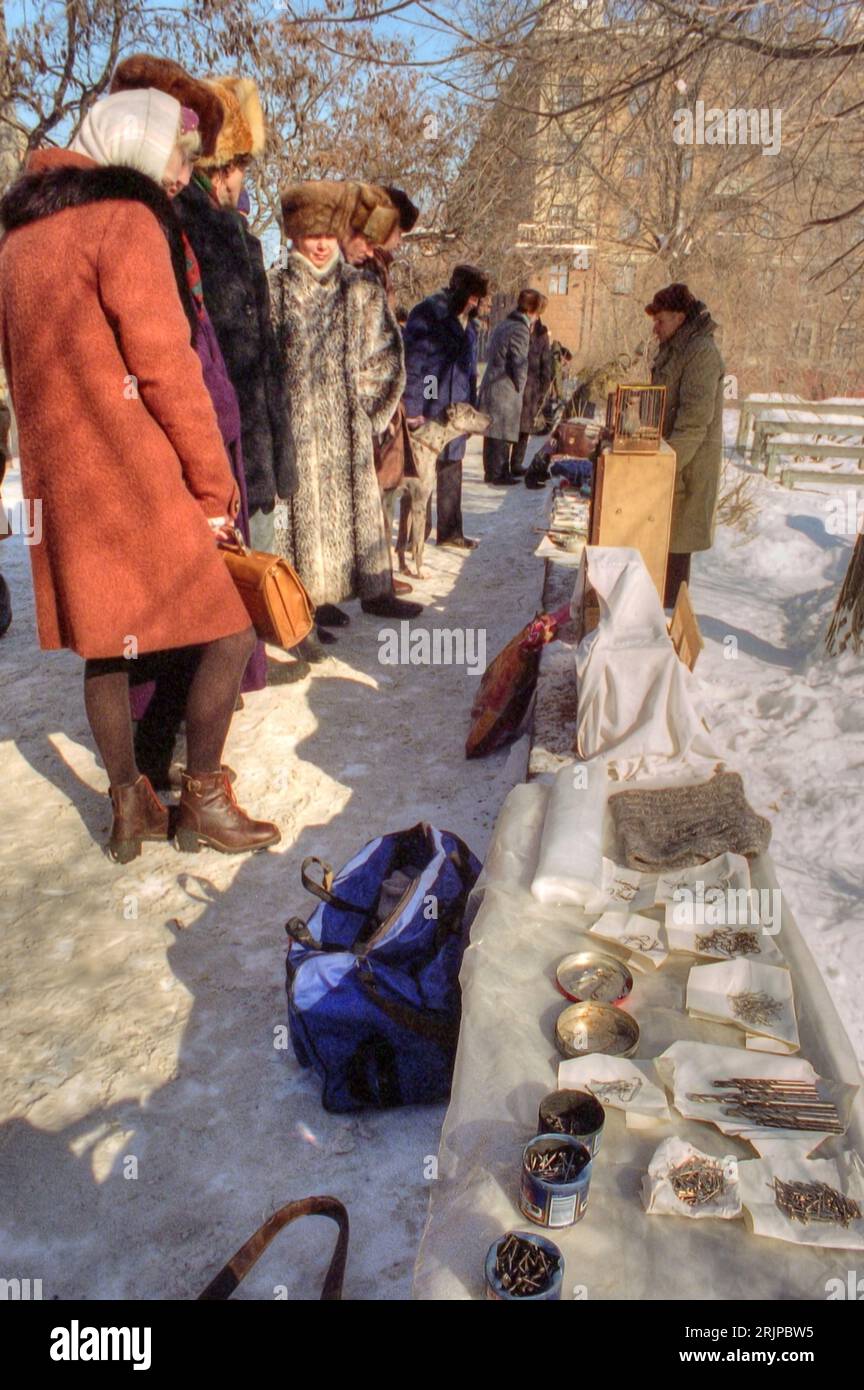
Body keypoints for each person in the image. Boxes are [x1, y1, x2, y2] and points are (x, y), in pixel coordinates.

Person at [0, 89, 279, 859]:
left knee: (108, 648)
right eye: (177, 156)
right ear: (133, 147)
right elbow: (167, 369)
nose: (182, 174)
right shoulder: (122, 222)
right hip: (138, 475)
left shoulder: (20, 236)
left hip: (67, 487)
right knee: (230, 625)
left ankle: (130, 808)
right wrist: (211, 481)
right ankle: (203, 800)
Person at [109, 56, 269, 787]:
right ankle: (172, 764)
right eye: (191, 153)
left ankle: (170, 759)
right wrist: (206, 467)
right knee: (182, 614)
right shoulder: (145, 224)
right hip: (168, 442)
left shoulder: (172, 221)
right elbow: (165, 358)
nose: (199, 170)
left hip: (202, 426)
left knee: (189, 612)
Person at [269, 181, 406, 640]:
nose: (322, 244)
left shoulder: (360, 291)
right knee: (300, 525)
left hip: (346, 438)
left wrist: (363, 411)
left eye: (329, 233)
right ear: (293, 237)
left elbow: (385, 358)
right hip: (298, 438)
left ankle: (366, 589)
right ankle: (307, 606)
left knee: (357, 514)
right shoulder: (275, 291)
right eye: (311, 235)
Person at [171, 74, 295, 553]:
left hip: (250, 456)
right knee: (237, 597)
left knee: (257, 585)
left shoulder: (238, 238)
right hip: (220, 461)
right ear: (223, 164)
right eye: (243, 165)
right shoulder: (183, 228)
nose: (245, 179)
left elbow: (265, 356)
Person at [340, 181, 422, 617]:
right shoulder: (356, 266)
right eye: (399, 232)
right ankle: (359, 589)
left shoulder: (377, 266)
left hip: (379, 400)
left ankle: (374, 583)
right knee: (358, 495)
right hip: (360, 401)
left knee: (375, 491)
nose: (399, 241)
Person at [646, 282, 725, 608]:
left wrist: (663, 468)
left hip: (685, 474)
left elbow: (694, 421)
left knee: (674, 558)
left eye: (661, 320)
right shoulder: (676, 348)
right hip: (670, 469)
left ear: (679, 318)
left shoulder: (701, 353)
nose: (655, 328)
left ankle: (666, 636)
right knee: (658, 552)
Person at [402, 263, 489, 549]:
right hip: (432, 408)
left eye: (479, 299)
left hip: (458, 410)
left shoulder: (471, 327)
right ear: (459, 291)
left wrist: (472, 408)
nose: (476, 304)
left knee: (453, 465)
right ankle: (416, 535)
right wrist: (420, 406)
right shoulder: (427, 315)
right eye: (473, 297)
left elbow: (470, 372)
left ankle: (451, 532)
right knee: (422, 473)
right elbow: (419, 366)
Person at [479, 289, 541, 486]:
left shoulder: (503, 324)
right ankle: (499, 473)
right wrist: (521, 388)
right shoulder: (520, 330)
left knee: (492, 431)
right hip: (505, 386)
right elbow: (519, 363)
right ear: (533, 311)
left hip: (491, 382)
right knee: (502, 430)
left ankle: (492, 471)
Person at [510, 295, 553, 477]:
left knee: (524, 428)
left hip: (531, 388)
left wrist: (543, 390)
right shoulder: (513, 327)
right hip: (513, 386)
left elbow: (546, 365)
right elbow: (428, 375)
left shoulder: (541, 334)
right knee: (508, 427)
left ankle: (515, 464)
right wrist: (427, 399)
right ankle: (500, 469)